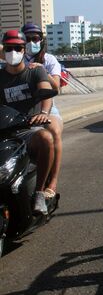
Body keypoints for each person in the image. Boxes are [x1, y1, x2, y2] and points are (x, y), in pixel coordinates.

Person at [0, 30, 54, 214]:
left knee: (46, 138)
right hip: (4, 132)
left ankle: (39, 192)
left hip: (27, 129)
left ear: (23, 50)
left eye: (17, 48)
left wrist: (44, 112)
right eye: (9, 48)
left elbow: (46, 91)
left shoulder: (35, 71)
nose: (13, 52)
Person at [21, 23, 63, 199]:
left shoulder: (49, 60)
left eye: (35, 38)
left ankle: (52, 182)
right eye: (28, 39)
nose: (32, 42)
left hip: (47, 107)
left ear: (41, 40)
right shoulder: (17, 58)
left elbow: (57, 86)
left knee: (53, 131)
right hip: (22, 108)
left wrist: (40, 70)